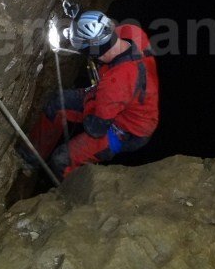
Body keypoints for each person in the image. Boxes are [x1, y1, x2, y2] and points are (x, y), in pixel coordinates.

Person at [23, 10, 159, 179]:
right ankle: (30, 158)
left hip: (126, 131)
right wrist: (80, 16)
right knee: (57, 103)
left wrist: (88, 103)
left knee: (61, 160)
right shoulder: (131, 32)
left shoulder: (115, 83)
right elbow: (98, 29)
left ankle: (72, 192)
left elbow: (95, 128)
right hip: (122, 100)